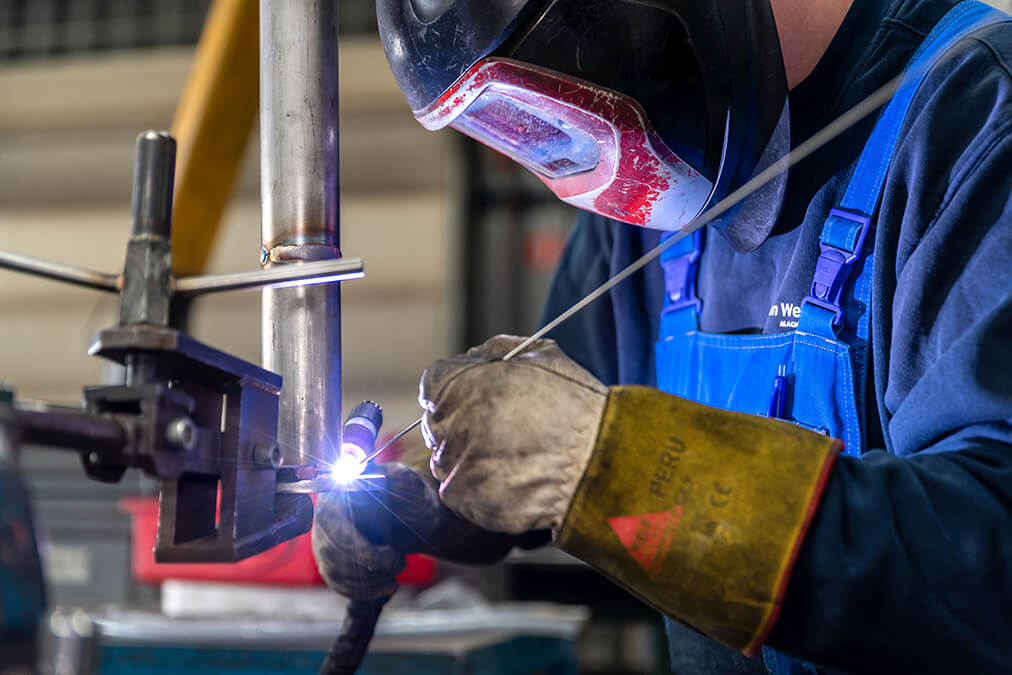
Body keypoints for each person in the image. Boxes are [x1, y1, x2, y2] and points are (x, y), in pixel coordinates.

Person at [313, 1, 1012, 672]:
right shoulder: (658, 165)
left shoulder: (977, 117)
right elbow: (550, 434)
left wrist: (612, 460)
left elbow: (988, 559)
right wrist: (436, 504)